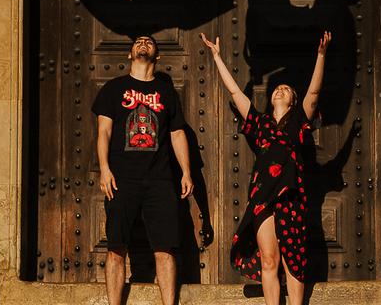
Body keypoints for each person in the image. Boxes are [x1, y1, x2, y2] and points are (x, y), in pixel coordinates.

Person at [200, 30, 331, 305]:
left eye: (287, 89)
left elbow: (314, 91)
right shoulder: (258, 123)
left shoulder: (298, 121)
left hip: (291, 195)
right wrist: (216, 57)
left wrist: (321, 55)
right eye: (277, 88)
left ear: (293, 100)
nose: (280, 89)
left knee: (293, 260)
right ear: (270, 98)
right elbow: (234, 91)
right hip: (261, 196)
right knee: (269, 260)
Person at [92, 35, 195, 305]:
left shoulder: (167, 92)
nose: (143, 43)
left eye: (149, 42)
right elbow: (103, 131)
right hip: (122, 178)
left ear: (157, 56)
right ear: (129, 54)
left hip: (160, 178)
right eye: (137, 41)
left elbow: (176, 134)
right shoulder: (114, 88)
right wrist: (104, 168)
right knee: (116, 246)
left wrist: (186, 171)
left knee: (165, 248)